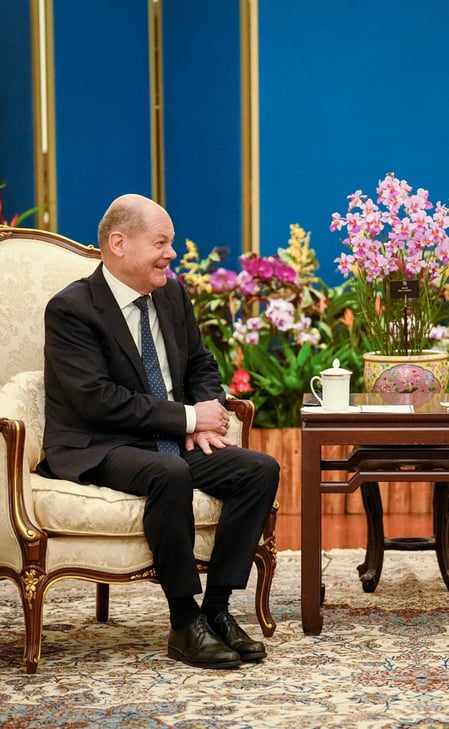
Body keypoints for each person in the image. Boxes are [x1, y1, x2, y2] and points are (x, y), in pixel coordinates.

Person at [39, 193, 280, 670]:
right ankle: (184, 619)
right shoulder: (71, 309)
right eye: (162, 243)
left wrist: (207, 407)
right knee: (169, 473)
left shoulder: (171, 294)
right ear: (119, 244)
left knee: (259, 470)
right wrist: (187, 420)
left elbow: (199, 364)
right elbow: (97, 400)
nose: (172, 254)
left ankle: (217, 610)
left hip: (166, 438)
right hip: (100, 443)